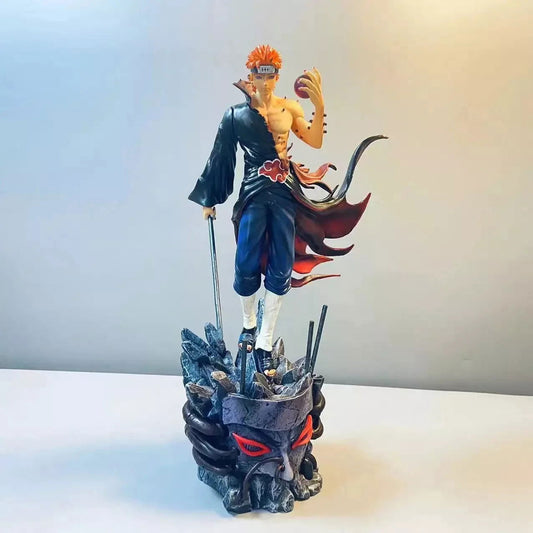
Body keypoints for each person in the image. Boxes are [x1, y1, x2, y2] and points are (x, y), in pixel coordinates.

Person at [189, 45, 384, 375]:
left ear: (277, 76)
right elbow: (221, 156)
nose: (265, 81)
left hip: (283, 193)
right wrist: (210, 198)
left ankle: (265, 342)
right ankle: (248, 327)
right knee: (245, 261)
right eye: (259, 74)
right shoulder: (235, 115)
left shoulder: (289, 108)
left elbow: (314, 140)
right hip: (253, 192)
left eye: (270, 74)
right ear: (251, 74)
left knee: (281, 267)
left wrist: (319, 106)